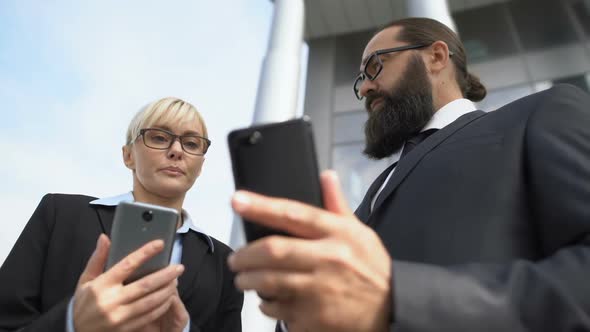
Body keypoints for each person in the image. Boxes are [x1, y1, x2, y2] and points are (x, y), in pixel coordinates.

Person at [227, 17, 590, 332]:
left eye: (375, 66)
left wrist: (397, 298)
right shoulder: (373, 194)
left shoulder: (542, 114)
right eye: (360, 80)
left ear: (436, 56)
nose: (365, 88)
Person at [0, 97, 243, 331]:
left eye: (191, 143)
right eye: (159, 137)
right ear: (128, 156)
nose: (177, 150)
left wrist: (182, 329)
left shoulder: (224, 264)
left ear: (200, 165)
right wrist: (73, 322)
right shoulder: (60, 216)